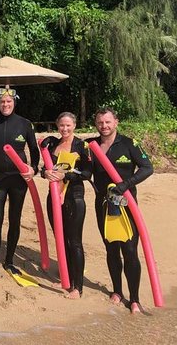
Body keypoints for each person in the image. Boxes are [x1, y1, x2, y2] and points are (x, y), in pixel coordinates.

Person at [90, 107, 153, 313]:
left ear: (116, 122)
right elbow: (81, 167)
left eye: (108, 122)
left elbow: (147, 168)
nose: (104, 126)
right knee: (111, 249)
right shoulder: (91, 146)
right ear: (96, 124)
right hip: (103, 205)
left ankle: (134, 299)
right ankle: (117, 291)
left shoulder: (129, 144)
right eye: (100, 122)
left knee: (129, 251)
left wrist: (126, 184)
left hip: (126, 205)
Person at [0, 88, 39, 276]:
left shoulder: (24, 124)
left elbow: (34, 150)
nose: (5, 105)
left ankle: (8, 261)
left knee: (14, 220)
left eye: (8, 102)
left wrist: (34, 168)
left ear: (14, 102)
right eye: (2, 102)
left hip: (18, 180)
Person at [41, 112, 92, 299]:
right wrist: (45, 173)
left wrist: (67, 175)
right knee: (60, 238)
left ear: (75, 126)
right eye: (62, 125)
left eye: (68, 125)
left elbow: (87, 173)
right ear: (57, 125)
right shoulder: (52, 144)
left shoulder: (81, 145)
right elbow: (45, 169)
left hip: (74, 197)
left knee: (74, 241)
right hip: (53, 197)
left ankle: (78, 287)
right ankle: (67, 277)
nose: (65, 129)